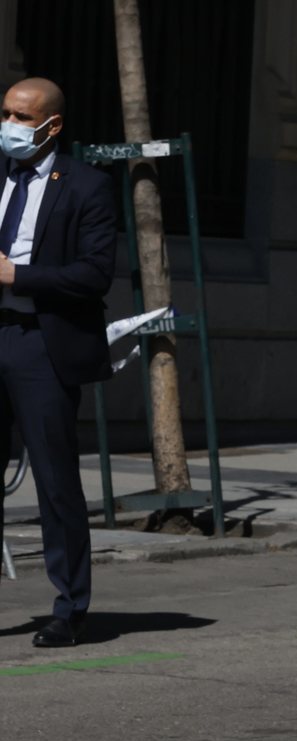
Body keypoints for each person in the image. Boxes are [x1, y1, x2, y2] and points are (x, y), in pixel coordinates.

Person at [0, 77, 115, 647]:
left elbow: (95, 275)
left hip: (40, 343)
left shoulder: (87, 186)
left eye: (23, 117)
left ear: (53, 125)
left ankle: (70, 607)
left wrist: (17, 276)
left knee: (54, 482)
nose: (12, 126)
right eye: (6, 114)